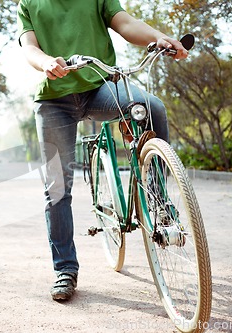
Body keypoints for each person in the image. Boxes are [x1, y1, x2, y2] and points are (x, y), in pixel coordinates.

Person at [17, 0, 188, 301]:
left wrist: (157, 36)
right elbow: (29, 46)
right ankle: (65, 270)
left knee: (153, 107)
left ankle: (159, 202)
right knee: (57, 188)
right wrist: (45, 62)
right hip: (55, 100)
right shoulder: (28, 3)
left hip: (101, 88)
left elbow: (125, 23)